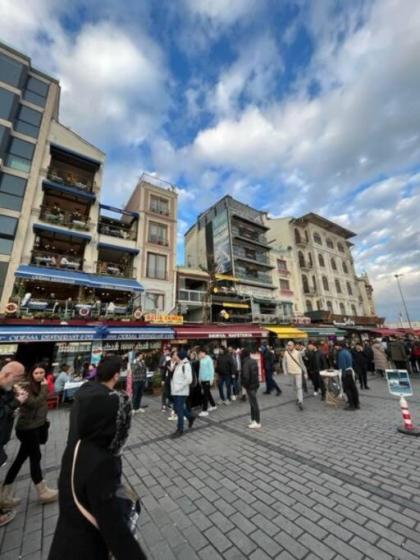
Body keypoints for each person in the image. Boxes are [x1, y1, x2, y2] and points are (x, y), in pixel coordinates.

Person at [48, 356, 147, 559]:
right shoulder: (101, 463)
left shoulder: (76, 447)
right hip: (85, 549)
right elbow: (114, 529)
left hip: (63, 543)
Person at [2, 364, 58, 506]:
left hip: (36, 426)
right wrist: (45, 388)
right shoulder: (25, 386)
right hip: (27, 428)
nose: (39, 375)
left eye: (42, 372)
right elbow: (33, 403)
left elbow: (46, 399)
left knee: (21, 459)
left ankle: (4, 492)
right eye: (36, 373)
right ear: (31, 374)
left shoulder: (41, 386)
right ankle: (42, 491)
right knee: (35, 456)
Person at [0, 360, 27, 526]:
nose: (19, 381)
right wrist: (18, 402)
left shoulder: (6, 388)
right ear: (6, 374)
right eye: (17, 377)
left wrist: (14, 395)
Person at [170, 350, 195, 438]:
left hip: (181, 392)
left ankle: (180, 429)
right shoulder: (178, 364)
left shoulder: (186, 365)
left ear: (180, 357)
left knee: (179, 410)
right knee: (177, 408)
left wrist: (179, 388)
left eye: (176, 356)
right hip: (176, 391)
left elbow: (189, 379)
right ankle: (190, 417)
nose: (174, 357)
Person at [282, 341, 308, 410]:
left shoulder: (298, 353)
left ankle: (300, 401)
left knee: (299, 387)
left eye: (290, 345)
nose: (289, 346)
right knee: (294, 387)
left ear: (293, 346)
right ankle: (298, 398)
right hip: (291, 373)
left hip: (298, 372)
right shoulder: (286, 353)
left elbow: (302, 363)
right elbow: (284, 362)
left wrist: (305, 372)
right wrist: (285, 370)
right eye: (288, 345)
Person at [335, 342, 360, 410]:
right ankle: (356, 404)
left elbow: (342, 365)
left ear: (340, 346)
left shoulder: (341, 353)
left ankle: (351, 405)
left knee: (347, 389)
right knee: (353, 389)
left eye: (337, 346)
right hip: (350, 372)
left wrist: (342, 375)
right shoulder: (347, 351)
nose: (336, 347)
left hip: (346, 373)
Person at [241, 350, 261, 429]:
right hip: (255, 384)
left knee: (254, 404)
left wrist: (245, 385)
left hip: (250, 386)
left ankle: (257, 421)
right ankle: (253, 419)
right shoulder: (253, 361)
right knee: (252, 404)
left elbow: (246, 376)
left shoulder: (245, 363)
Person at [198, 348, 217, 417]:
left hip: (207, 379)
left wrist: (211, 379)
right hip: (202, 379)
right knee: (208, 393)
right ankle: (213, 405)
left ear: (204, 352)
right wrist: (199, 378)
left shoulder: (209, 359)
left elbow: (212, 370)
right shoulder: (201, 360)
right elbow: (200, 370)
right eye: (199, 353)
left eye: (201, 353)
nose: (200, 354)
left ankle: (204, 410)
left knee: (205, 395)